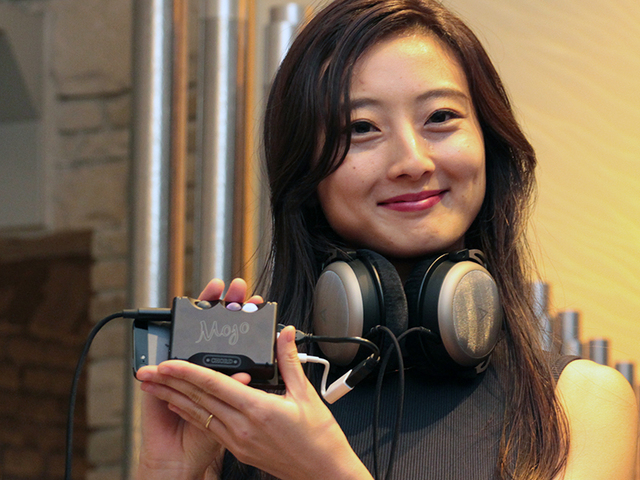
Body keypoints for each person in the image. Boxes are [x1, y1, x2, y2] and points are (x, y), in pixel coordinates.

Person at [134, 0, 638, 479]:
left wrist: (323, 471)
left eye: (440, 117)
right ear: (307, 176)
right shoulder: (246, 415)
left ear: (489, 142)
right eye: (362, 127)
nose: (413, 161)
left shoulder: (581, 406)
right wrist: (168, 470)